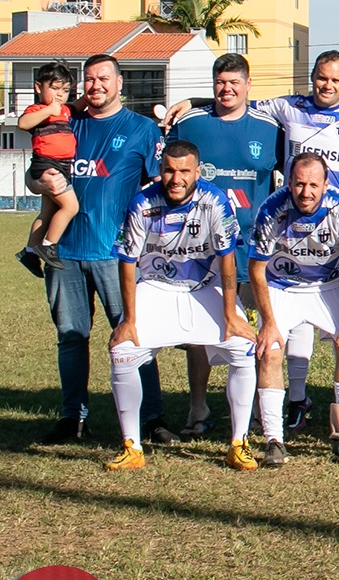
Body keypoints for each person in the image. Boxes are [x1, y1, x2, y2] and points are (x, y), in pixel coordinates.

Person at [169, 51, 339, 437]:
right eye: (321, 77)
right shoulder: (286, 109)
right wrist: (196, 102)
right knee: (232, 333)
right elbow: (234, 99)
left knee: (330, 337)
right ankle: (212, 413)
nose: (327, 85)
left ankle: (317, 413)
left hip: (332, 237)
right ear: (312, 77)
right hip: (262, 240)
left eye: (335, 79)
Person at [39, 53, 169, 446]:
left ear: (120, 84)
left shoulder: (141, 129)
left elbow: (159, 187)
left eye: (104, 79)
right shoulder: (65, 122)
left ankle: (151, 419)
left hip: (116, 253)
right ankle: (73, 418)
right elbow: (39, 168)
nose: (97, 86)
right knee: (72, 335)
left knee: (132, 334)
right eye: (90, 79)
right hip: (64, 251)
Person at [105, 141, 258, 470]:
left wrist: (231, 313)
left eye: (184, 171)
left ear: (197, 172)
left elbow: (227, 259)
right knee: (123, 351)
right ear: (160, 170)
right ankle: (131, 446)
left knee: (243, 346)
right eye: (170, 171)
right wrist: (129, 319)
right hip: (156, 287)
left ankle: (238, 443)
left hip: (203, 288)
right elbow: (127, 262)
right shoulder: (142, 203)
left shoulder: (215, 200)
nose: (176, 178)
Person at [164, 53, 283, 439]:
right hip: (200, 252)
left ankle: (253, 415)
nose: (227, 89)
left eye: (234, 82)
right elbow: (167, 171)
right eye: (220, 82)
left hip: (254, 251)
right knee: (199, 334)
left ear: (249, 85)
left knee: (254, 332)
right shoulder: (191, 123)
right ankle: (197, 408)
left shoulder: (270, 128)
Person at [247, 153, 339, 465]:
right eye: (299, 184)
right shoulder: (272, 209)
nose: (306, 192)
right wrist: (269, 323)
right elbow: (256, 270)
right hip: (282, 285)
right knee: (270, 350)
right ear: (289, 183)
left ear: (326, 184)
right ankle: (274, 440)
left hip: (328, 283)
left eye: (314, 184)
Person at [15, 61, 80, 275]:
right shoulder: (38, 110)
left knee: (48, 211)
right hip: (46, 165)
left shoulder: (65, 111)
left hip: (61, 166)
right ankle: (48, 245)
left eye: (65, 90)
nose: (60, 95)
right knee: (71, 207)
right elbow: (23, 124)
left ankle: (29, 252)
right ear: (38, 87)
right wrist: (49, 110)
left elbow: (80, 105)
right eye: (54, 88)